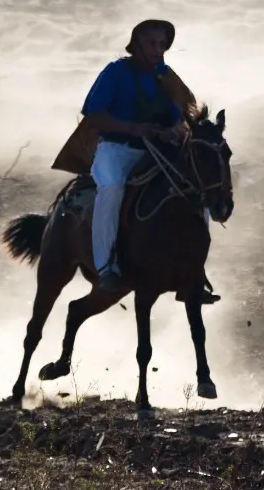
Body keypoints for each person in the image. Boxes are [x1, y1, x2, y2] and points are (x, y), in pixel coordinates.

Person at [53, 18, 200, 290]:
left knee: (193, 188)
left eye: (162, 44)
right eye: (151, 43)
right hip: (116, 149)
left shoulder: (166, 77)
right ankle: (106, 266)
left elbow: (179, 115)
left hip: (155, 151)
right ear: (136, 45)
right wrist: (135, 128)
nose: (158, 49)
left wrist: (174, 130)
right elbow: (94, 115)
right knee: (112, 190)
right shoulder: (115, 72)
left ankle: (194, 270)